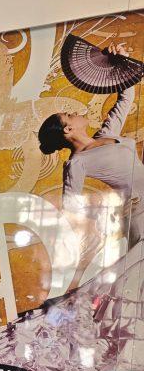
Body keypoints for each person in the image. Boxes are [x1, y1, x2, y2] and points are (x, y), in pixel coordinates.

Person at [38, 43, 144, 249]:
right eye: (70, 115)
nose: (77, 113)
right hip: (139, 210)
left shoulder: (106, 134)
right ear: (68, 129)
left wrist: (120, 63)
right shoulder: (77, 163)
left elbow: (125, 98)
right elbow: (71, 206)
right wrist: (112, 210)